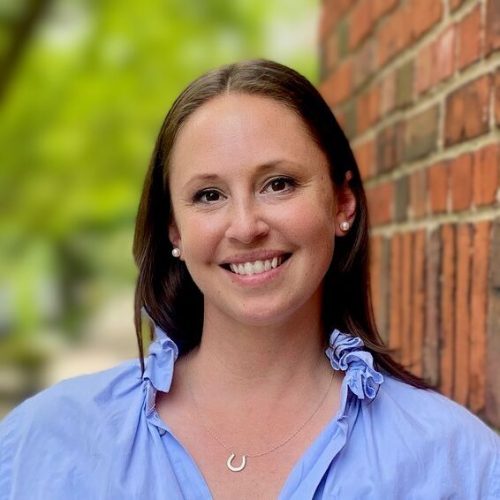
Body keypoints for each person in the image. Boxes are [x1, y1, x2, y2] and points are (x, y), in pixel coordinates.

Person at [0, 59, 498, 500]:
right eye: (209, 195)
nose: (245, 227)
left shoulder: (459, 463)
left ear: (342, 204)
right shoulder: (43, 442)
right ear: (175, 228)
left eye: (278, 184)